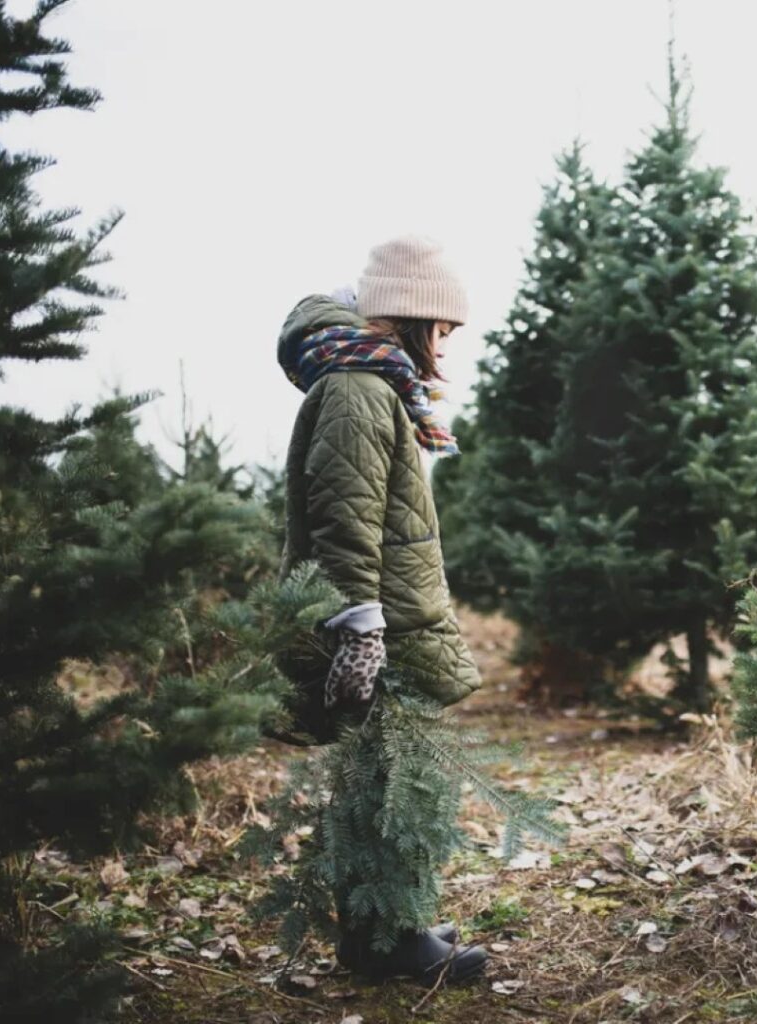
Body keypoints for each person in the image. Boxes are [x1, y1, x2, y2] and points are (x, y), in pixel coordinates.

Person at [277, 236, 487, 983]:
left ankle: (391, 925)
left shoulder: (368, 381)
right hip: (380, 628)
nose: (446, 347)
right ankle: (389, 947)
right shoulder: (359, 389)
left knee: (397, 779)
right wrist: (360, 630)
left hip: (395, 619)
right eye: (443, 330)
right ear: (409, 318)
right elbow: (344, 516)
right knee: (387, 785)